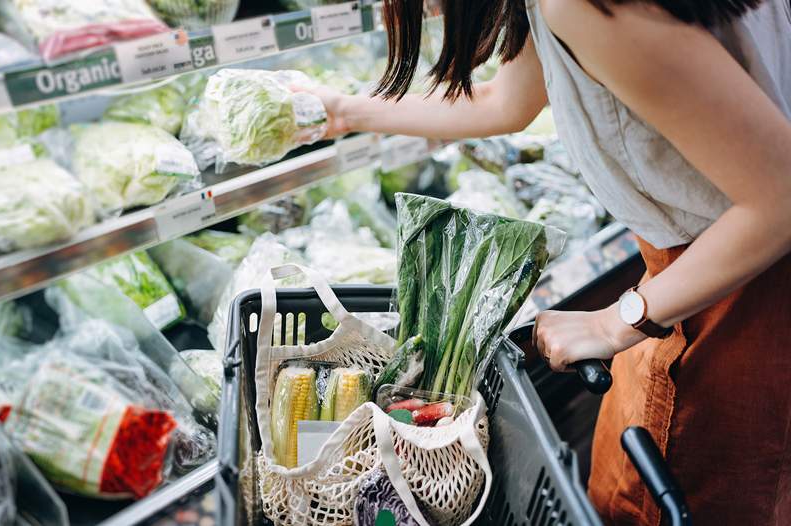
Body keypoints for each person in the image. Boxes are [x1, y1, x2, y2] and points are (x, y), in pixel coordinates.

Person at [309, 0, 791, 523]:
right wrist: (343, 111)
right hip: (694, 280)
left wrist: (615, 322)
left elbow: (781, 200)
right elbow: (505, 103)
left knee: (683, 499)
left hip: (741, 295)